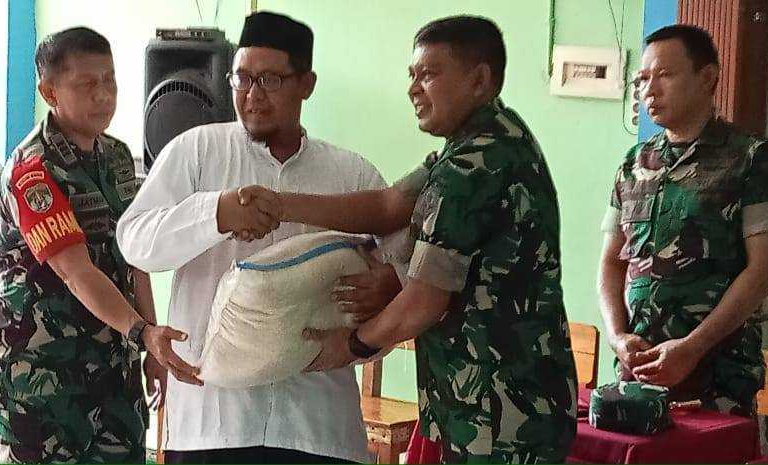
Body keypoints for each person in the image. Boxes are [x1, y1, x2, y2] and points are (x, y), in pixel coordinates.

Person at [244, 15, 578, 463]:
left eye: (429, 74)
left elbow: (423, 301)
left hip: (501, 414)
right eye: (412, 75)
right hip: (507, 405)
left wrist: (350, 344)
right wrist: (283, 205)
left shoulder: (473, 167)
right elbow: (388, 205)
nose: (413, 89)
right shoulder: (486, 139)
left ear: (479, 80)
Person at [115, 11, 402, 464]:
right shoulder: (197, 151)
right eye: (242, 78)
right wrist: (215, 213)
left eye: (269, 80)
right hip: (213, 423)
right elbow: (135, 240)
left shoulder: (351, 174)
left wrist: (389, 285)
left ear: (306, 84)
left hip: (317, 425)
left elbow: (403, 275)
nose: (252, 95)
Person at [0, 27, 172, 463]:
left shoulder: (118, 157)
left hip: (111, 364)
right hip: (40, 371)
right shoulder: (32, 169)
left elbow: (135, 256)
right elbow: (76, 272)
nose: (104, 95)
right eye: (87, 84)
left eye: (110, 80)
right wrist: (143, 332)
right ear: (50, 92)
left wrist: (151, 345)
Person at [597, 24, 768, 416]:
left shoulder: (754, 159)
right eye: (642, 79)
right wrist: (617, 336)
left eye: (665, 75)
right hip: (639, 378)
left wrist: (692, 347)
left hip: (718, 381)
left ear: (708, 78)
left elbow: (765, 270)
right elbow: (611, 261)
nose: (650, 90)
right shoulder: (634, 163)